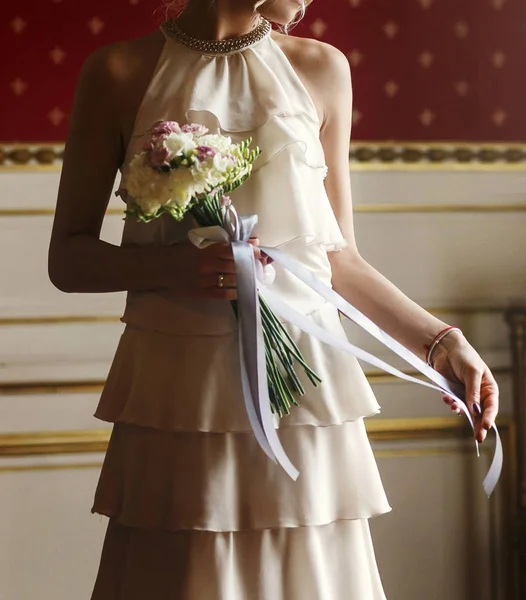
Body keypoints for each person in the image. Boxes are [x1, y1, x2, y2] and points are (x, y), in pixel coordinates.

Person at [48, 0, 499, 598]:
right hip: (182, 396)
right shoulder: (116, 72)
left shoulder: (323, 69)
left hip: (306, 396)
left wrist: (444, 343)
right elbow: (69, 259)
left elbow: (338, 260)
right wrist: (169, 267)